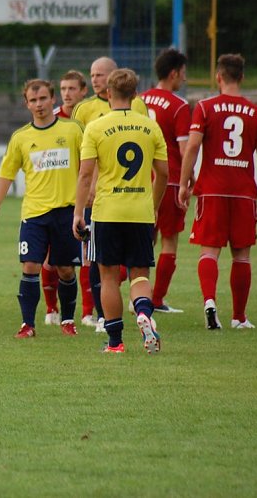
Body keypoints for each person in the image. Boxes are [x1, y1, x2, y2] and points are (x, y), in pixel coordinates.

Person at [73, 68, 168, 354]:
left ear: (108, 93)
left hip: (107, 212)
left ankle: (115, 343)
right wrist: (153, 205)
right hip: (140, 212)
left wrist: (78, 212)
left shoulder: (96, 127)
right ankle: (142, 312)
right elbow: (163, 173)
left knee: (109, 277)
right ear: (136, 94)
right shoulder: (150, 126)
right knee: (140, 275)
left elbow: (86, 175)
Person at [178, 53, 257, 330]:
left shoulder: (205, 108)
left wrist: (184, 184)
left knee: (210, 251)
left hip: (212, 191)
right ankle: (239, 317)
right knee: (241, 255)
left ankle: (209, 302)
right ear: (242, 77)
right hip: (243, 192)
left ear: (218, 77)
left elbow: (193, 147)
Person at [0, 79, 84, 339]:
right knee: (30, 266)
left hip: (66, 212)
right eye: (33, 100)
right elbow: (7, 172)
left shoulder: (74, 130)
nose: (39, 105)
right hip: (34, 214)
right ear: (26, 104)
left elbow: (89, 164)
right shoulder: (21, 137)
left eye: (43, 99)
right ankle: (27, 324)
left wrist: (91, 191)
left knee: (65, 269)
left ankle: (67, 320)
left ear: (53, 99)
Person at [72, 56, 148, 331]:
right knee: (126, 267)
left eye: (100, 75)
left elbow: (85, 167)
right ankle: (127, 311)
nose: (94, 79)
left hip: (106, 202)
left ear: (111, 84)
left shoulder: (132, 110)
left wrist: (78, 206)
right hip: (133, 202)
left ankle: (111, 328)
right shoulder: (84, 109)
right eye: (91, 74)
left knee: (106, 268)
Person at [141, 48, 191, 314]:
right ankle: (156, 300)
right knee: (169, 241)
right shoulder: (179, 106)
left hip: (141, 180)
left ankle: (136, 297)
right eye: (182, 74)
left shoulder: (140, 99)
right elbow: (185, 150)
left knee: (142, 240)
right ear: (173, 74)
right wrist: (189, 179)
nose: (184, 79)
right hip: (169, 180)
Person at [43, 69, 90, 325]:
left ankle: (86, 312)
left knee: (86, 257)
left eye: (72, 89)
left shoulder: (87, 120)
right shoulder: (52, 120)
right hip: (56, 199)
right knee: (51, 258)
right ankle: (51, 308)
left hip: (84, 196)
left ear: (84, 91)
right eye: (63, 89)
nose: (67, 94)